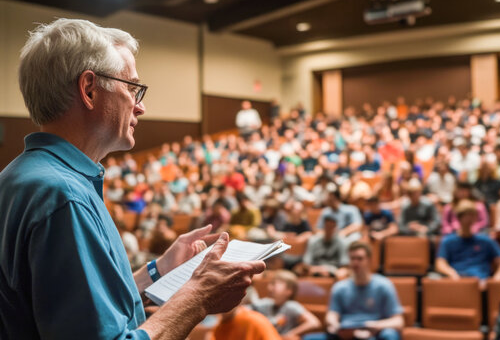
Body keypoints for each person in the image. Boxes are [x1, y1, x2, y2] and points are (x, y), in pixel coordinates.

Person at [0, 19, 265, 340]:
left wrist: (159, 270)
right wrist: (199, 296)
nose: (140, 107)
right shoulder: (62, 195)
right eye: (132, 88)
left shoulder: (21, 177)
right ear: (89, 89)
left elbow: (79, 311)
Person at [304, 241, 404, 340]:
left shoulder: (384, 285)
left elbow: (398, 321)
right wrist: (334, 324)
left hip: (373, 332)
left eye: (360, 259)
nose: (355, 263)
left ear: (369, 260)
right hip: (346, 333)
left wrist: (375, 325)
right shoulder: (340, 287)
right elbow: (332, 314)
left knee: (390, 335)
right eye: (352, 259)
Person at [436, 200, 500, 290]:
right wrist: (451, 273)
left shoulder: (485, 240)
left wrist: (497, 278)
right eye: (466, 215)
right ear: (459, 217)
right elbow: (440, 263)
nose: (469, 219)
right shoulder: (448, 241)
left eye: (472, 215)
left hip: (481, 284)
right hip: (457, 282)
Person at [251, 270, 321, 338]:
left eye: (274, 284)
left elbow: (314, 322)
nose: (270, 287)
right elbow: (243, 310)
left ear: (289, 291)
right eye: (270, 284)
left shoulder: (291, 306)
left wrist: (290, 334)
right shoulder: (266, 303)